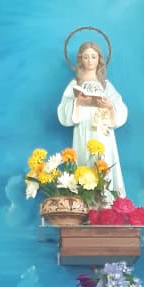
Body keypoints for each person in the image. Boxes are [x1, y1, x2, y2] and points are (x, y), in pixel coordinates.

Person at [57, 40, 128, 198]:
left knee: (103, 162)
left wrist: (109, 107)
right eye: (86, 57)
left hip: (102, 131)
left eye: (93, 57)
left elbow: (120, 107)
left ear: (99, 59)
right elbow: (63, 109)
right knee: (84, 161)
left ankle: (107, 203)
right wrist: (77, 103)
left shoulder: (106, 85)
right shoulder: (74, 84)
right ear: (80, 59)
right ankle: (86, 203)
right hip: (83, 129)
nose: (90, 61)